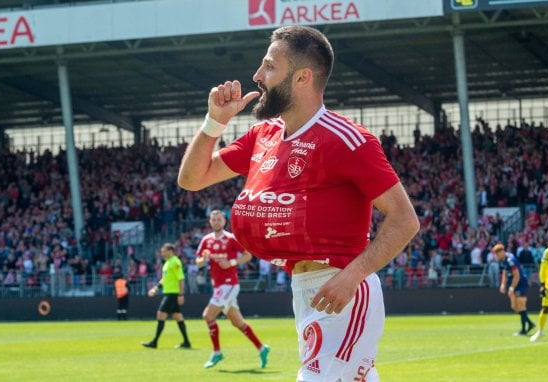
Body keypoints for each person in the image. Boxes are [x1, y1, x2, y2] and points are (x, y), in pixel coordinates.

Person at [177, 25, 419, 381]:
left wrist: (352, 276)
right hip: (304, 291)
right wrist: (215, 123)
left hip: (343, 293)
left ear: (303, 77)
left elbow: (404, 219)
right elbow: (192, 179)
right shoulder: (264, 134)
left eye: (270, 66)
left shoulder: (348, 140)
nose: (257, 76)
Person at [196, 210, 270, 369]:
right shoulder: (206, 240)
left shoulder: (231, 238)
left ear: (224, 221)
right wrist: (204, 258)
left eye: (219, 219)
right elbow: (198, 263)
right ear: (210, 222)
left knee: (208, 315)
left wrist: (230, 263)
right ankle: (262, 348)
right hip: (218, 285)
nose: (216, 221)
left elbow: (247, 255)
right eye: (213, 219)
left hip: (229, 284)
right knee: (238, 322)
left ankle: (217, 352)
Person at [142, 243, 191, 349]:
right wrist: (156, 288)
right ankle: (186, 342)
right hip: (169, 292)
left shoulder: (175, 262)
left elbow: (181, 278)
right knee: (178, 317)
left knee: (160, 314)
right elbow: (165, 279)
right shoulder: (167, 263)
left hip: (172, 294)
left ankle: (154, 342)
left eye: (164, 251)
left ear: (170, 251)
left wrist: (180, 294)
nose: (162, 253)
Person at [492, 243, 535, 336]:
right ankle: (530, 323)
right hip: (514, 284)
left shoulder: (510, 260)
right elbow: (504, 272)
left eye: (499, 253)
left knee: (521, 305)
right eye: (496, 254)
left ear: (503, 251)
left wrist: (511, 288)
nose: (498, 255)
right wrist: (503, 284)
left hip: (520, 283)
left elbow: (517, 276)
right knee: (515, 308)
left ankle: (524, 329)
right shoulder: (503, 260)